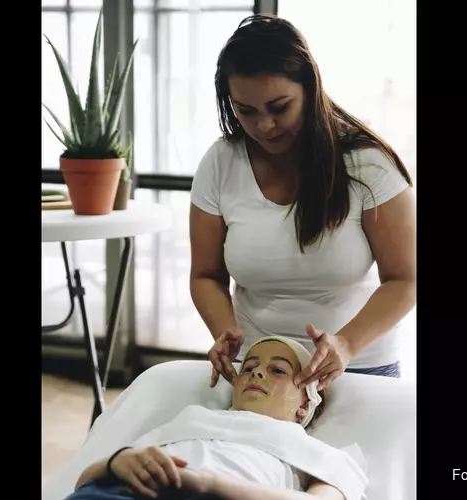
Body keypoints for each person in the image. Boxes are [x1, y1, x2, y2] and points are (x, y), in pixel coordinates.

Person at [189, 14, 416, 391]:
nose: (264, 126)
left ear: (310, 89)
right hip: (258, 369)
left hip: (357, 369)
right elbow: (206, 275)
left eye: (279, 107)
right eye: (246, 111)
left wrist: (345, 344)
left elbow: (406, 279)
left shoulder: (367, 162)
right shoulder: (220, 162)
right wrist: (226, 331)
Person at [66, 337, 367, 500]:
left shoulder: (323, 454)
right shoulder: (190, 419)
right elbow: (84, 482)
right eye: (248, 367)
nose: (257, 372)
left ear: (305, 404)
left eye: (277, 370)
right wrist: (114, 461)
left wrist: (207, 486)